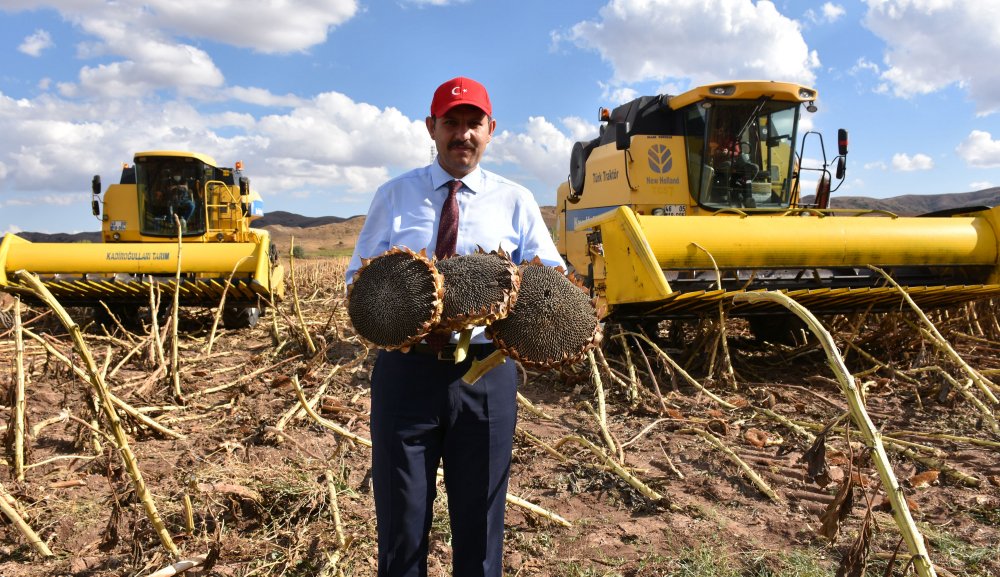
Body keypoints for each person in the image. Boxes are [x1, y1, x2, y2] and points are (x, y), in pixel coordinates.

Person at [345, 77, 563, 577]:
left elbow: (549, 283)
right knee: (401, 525)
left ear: (491, 131)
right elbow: (357, 279)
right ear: (431, 128)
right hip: (406, 374)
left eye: (473, 124)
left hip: (485, 375)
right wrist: (403, 311)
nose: (462, 134)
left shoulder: (515, 201)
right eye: (451, 123)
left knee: (481, 529)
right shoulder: (394, 196)